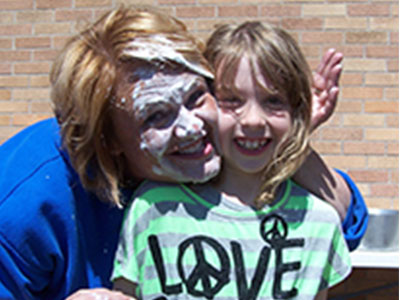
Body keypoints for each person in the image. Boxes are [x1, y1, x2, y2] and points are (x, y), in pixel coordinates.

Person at [0, 6, 366, 300]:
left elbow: (342, 225)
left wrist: (295, 138)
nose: (193, 127)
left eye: (195, 96)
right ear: (108, 138)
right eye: (157, 115)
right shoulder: (27, 199)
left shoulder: (215, 151)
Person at [111, 22, 352, 299]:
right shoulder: (153, 208)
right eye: (232, 100)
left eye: (273, 101)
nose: (252, 120)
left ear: (296, 112)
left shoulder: (318, 223)